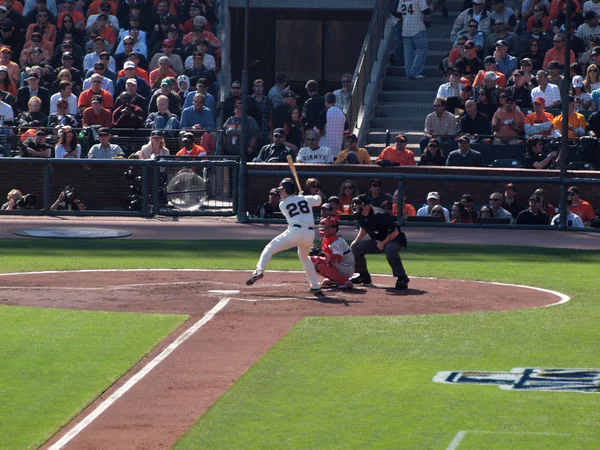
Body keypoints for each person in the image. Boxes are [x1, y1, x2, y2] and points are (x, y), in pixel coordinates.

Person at [246, 177, 325, 297]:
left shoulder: (283, 204)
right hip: (309, 235)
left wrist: (301, 197)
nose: (280, 193)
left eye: (282, 190)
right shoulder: (306, 198)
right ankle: (315, 286)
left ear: (287, 190)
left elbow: (296, 202)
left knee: (269, 248)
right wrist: (312, 195)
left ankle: (259, 271)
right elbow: (319, 200)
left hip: (295, 232)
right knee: (304, 258)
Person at [349, 194, 410, 290]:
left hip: (395, 239)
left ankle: (402, 277)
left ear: (367, 205)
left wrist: (383, 243)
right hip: (379, 241)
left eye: (359, 205)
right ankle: (363, 275)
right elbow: (364, 227)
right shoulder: (360, 214)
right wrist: (356, 241)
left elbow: (395, 232)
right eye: (355, 205)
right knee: (356, 248)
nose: (356, 207)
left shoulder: (380, 215)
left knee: (390, 249)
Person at [310, 217, 355, 290]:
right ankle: (334, 279)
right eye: (322, 226)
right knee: (312, 260)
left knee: (317, 260)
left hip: (346, 267)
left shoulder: (337, 241)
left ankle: (344, 281)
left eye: (325, 227)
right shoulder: (327, 238)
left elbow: (337, 258)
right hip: (341, 266)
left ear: (332, 228)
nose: (322, 228)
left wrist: (320, 254)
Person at [402, 0, 430, 80]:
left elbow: (399, 11)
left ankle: (408, 73)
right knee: (422, 50)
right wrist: (431, 7)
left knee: (408, 53)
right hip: (418, 28)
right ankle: (414, 72)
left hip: (406, 28)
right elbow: (425, 10)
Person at [316, 92, 347, 157]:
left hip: (324, 149)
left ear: (326, 101)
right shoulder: (342, 114)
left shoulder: (324, 112)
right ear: (335, 101)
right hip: (338, 149)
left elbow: (316, 130)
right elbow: (346, 133)